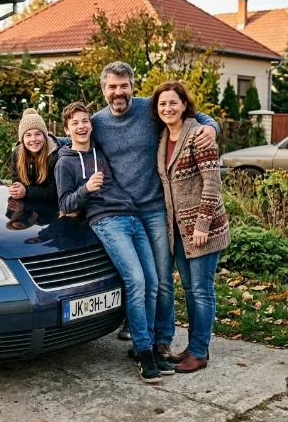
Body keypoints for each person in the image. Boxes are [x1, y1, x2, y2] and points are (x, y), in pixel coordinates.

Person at [92, 61, 219, 357]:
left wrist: (211, 127)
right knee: (136, 277)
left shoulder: (149, 109)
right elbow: (74, 140)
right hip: (122, 213)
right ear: (104, 89)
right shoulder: (97, 122)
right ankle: (140, 330)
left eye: (124, 86)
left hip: (155, 210)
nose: (118, 92)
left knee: (162, 280)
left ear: (132, 87)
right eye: (112, 86)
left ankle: (162, 337)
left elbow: (193, 114)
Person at [56, 102, 173, 384]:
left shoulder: (99, 149)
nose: (82, 126)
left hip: (132, 216)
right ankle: (144, 351)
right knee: (136, 281)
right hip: (106, 221)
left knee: (154, 281)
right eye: (75, 123)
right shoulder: (65, 162)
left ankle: (146, 344)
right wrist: (86, 189)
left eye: (85, 121)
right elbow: (64, 203)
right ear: (67, 129)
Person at [152, 81, 230, 373]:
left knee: (201, 291)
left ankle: (199, 352)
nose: (167, 108)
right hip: (179, 233)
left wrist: (202, 225)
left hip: (203, 231)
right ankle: (196, 345)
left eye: (173, 103)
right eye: (162, 104)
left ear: (184, 104)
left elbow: (212, 181)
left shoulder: (198, 134)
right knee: (190, 289)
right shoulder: (163, 137)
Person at [8, 108, 65, 202]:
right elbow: (17, 183)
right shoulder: (17, 154)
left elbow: (55, 192)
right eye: (28, 135)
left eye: (37, 134)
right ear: (22, 139)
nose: (33, 139)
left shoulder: (55, 155)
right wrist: (15, 190)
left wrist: (26, 191)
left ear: (45, 136)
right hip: (26, 208)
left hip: (50, 209)